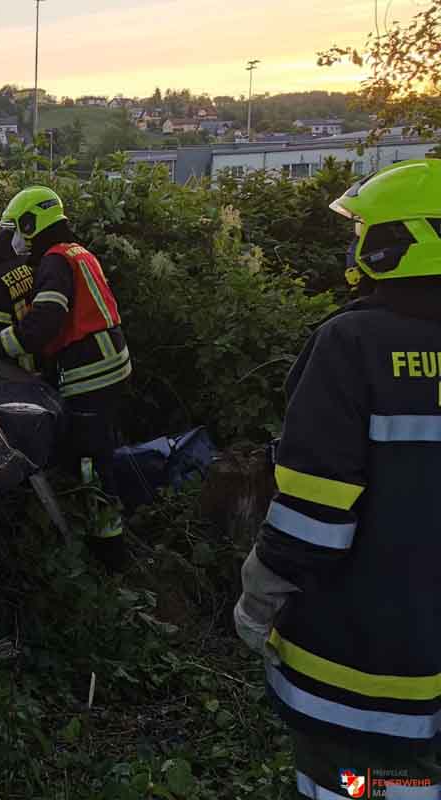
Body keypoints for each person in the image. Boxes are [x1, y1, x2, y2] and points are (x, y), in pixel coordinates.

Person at [234, 160, 441, 798]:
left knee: (360, 786)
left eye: (363, 232)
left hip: (362, 658)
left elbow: (315, 514)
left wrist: (259, 591)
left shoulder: (352, 345)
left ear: (396, 243)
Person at [0, 187, 131, 568]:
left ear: (31, 223)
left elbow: (43, 324)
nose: (15, 238)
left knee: (91, 461)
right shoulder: (78, 251)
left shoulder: (54, 261)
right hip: (111, 361)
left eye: (18, 229)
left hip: (92, 371)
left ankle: (110, 552)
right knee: (102, 449)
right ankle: (105, 531)